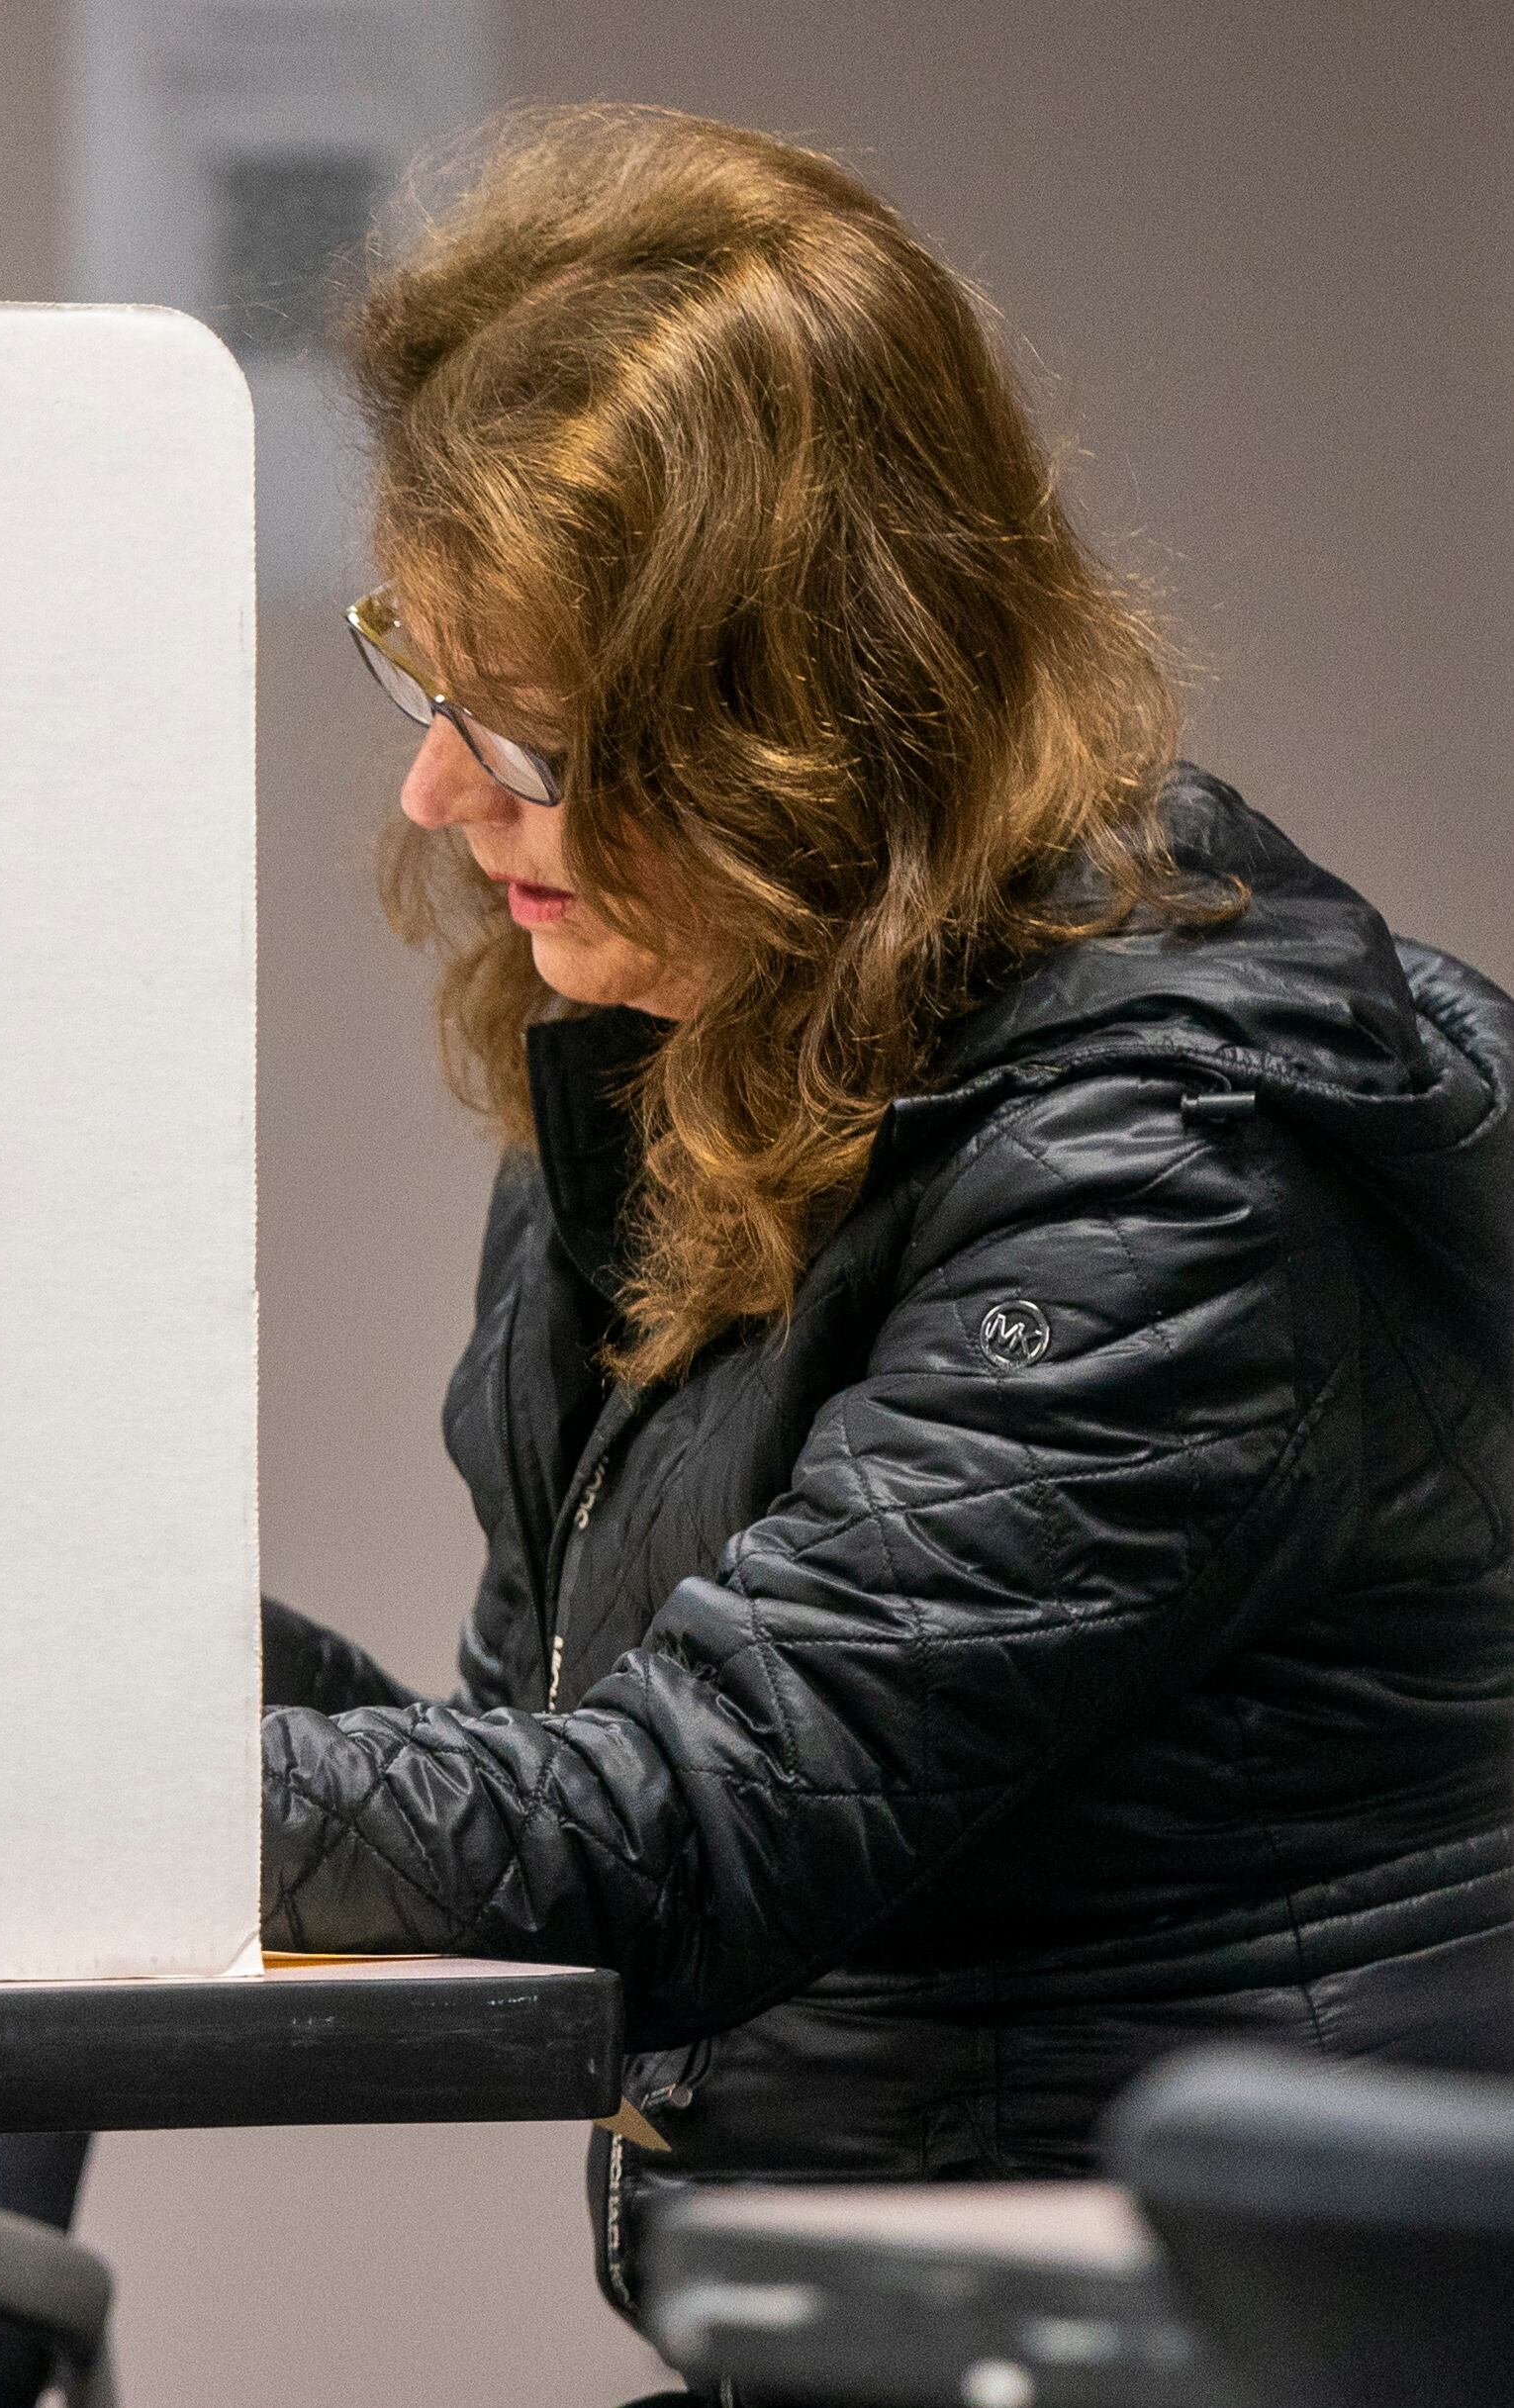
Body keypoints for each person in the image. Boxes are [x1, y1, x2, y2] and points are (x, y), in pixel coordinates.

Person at [258, 104, 1514, 2341]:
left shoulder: (1166, 1169)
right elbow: (534, 1762)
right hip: (895, 2320)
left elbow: (670, 1835)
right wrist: (66, 1667)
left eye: (527, 735)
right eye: (423, 687)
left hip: (1211, 2348)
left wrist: (46, 1768)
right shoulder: (687, 1053)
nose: (437, 795)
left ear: (793, 730)